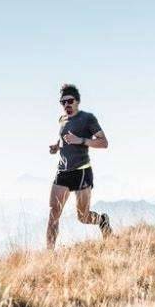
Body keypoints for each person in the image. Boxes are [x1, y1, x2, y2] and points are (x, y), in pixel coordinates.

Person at [47, 83, 111, 248]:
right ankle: (48, 256)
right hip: (63, 172)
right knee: (53, 214)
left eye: (70, 101)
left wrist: (80, 140)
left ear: (77, 101)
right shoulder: (62, 120)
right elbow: (63, 138)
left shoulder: (87, 118)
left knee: (83, 217)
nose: (66, 105)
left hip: (82, 172)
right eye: (63, 102)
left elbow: (104, 143)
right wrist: (57, 146)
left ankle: (102, 220)